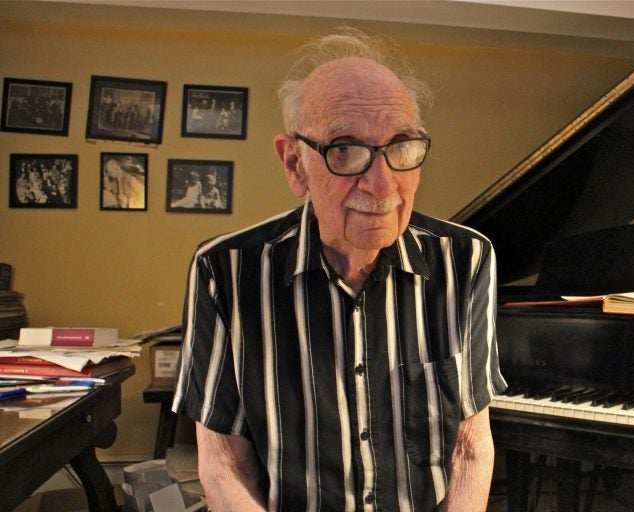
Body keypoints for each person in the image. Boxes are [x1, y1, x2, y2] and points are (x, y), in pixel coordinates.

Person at [172, 27, 507, 512]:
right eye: (345, 150)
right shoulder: (223, 272)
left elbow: (470, 449)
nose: (382, 183)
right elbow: (222, 463)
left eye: (402, 145)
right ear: (294, 164)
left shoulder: (467, 261)